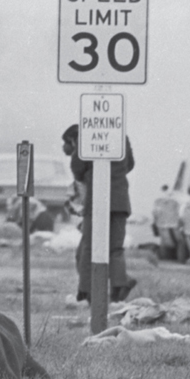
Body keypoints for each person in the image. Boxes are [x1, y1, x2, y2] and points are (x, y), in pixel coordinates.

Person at [64, 124, 137, 303]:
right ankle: (119, 286)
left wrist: (93, 174)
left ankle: (86, 290)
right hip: (120, 199)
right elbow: (130, 164)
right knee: (116, 247)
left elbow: (77, 170)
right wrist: (115, 174)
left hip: (97, 199)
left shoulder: (87, 137)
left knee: (89, 246)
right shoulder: (121, 136)